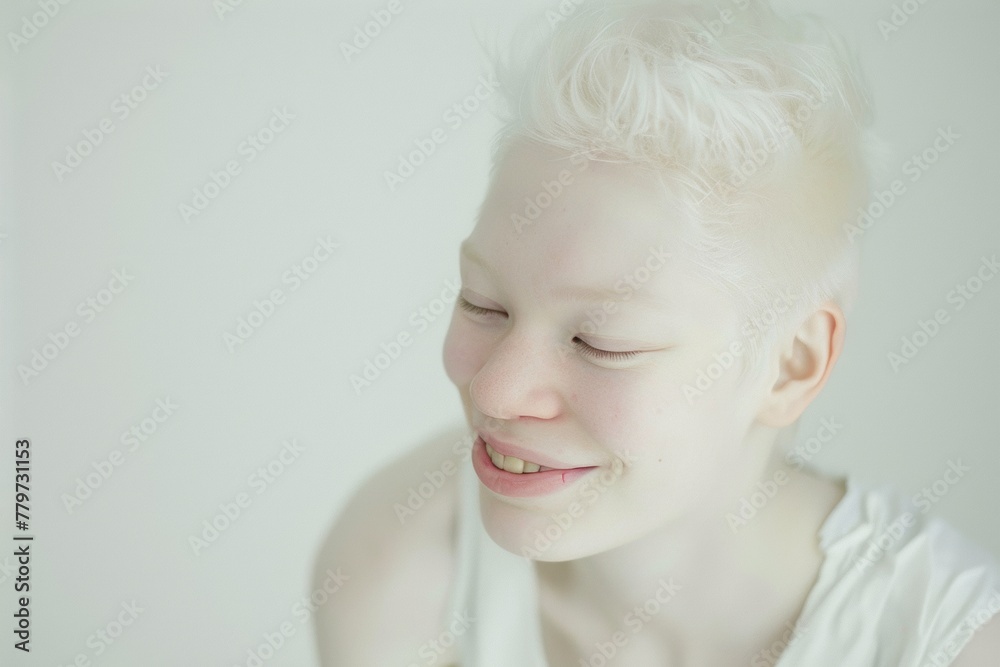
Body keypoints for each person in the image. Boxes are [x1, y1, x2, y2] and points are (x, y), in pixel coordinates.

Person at [313, 1, 1000, 664]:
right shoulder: (399, 568)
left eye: (602, 342)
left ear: (790, 365)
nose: (495, 388)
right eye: (483, 303)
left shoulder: (951, 639)